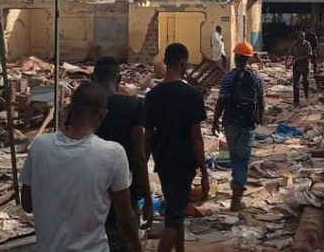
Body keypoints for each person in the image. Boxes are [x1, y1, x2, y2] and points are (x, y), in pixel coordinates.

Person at [20, 82, 142, 252]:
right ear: (102, 114)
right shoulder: (112, 153)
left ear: (70, 109)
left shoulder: (40, 146)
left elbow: (27, 204)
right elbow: (125, 218)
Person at [144, 43, 209, 252]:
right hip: (183, 163)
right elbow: (196, 138)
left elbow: (149, 135)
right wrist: (205, 172)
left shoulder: (152, 96)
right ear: (183, 63)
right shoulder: (192, 95)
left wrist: (142, 164)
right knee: (174, 218)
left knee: (176, 211)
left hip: (162, 161)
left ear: (165, 63)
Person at [94, 58, 153, 252]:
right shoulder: (133, 106)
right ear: (118, 78)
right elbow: (138, 156)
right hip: (125, 192)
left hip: (91, 192)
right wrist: (147, 198)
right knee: (125, 240)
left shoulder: (85, 109)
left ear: (94, 78)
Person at [211, 41, 265, 212]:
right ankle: (237, 196)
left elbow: (221, 101)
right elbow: (262, 101)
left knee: (234, 157)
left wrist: (215, 121)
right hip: (248, 125)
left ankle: (236, 191)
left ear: (235, 57)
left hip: (231, 123)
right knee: (243, 158)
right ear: (249, 58)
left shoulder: (228, 77)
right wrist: (259, 118)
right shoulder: (257, 77)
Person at [288, 31, 312, 106]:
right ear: (298, 36)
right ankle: (296, 100)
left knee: (305, 82)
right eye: (300, 36)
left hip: (305, 66)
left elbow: (309, 55)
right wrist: (287, 62)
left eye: (303, 36)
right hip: (296, 66)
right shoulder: (293, 44)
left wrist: (298, 59)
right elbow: (289, 53)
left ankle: (306, 95)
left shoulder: (307, 44)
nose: (302, 38)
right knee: (295, 84)